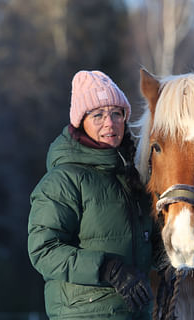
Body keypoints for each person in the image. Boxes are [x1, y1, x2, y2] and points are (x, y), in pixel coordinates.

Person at [28, 70, 155, 319]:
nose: (110, 123)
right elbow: (44, 251)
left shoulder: (133, 179)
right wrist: (109, 269)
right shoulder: (63, 180)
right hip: (84, 313)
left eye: (116, 113)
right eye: (98, 115)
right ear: (80, 122)